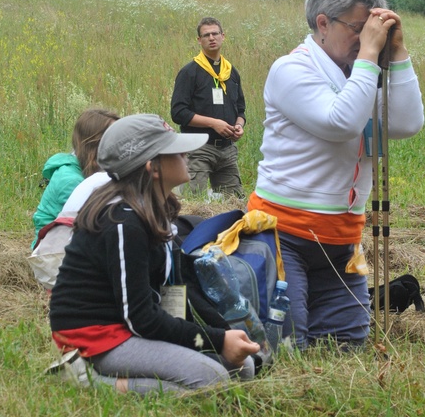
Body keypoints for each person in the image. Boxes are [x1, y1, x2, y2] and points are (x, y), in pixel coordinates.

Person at [248, 0, 425, 351]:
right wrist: (368, 59)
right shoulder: (291, 69)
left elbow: (408, 122)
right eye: (358, 29)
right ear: (323, 23)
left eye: (371, 30)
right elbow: (340, 122)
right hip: (284, 235)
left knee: (345, 346)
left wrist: (396, 52)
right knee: (283, 347)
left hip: (341, 241)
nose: (366, 40)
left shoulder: (361, 73)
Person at [48, 114, 260, 394]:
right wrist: (217, 341)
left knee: (243, 367)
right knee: (212, 380)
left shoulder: (155, 212)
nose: (186, 153)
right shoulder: (123, 223)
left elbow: (176, 292)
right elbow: (140, 318)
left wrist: (226, 335)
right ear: (153, 168)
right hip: (98, 335)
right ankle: (89, 381)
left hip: (130, 326)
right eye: (175, 149)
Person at [171, 17, 246, 197]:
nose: (211, 38)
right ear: (199, 40)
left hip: (227, 150)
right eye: (206, 35)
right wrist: (213, 123)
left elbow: (241, 109)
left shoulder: (231, 72)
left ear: (223, 36)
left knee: (234, 205)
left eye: (215, 33)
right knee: (192, 202)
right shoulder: (190, 72)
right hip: (199, 148)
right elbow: (178, 112)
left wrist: (239, 126)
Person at [31, 108, 119, 246]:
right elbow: (99, 223)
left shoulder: (85, 168)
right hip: (51, 251)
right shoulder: (70, 181)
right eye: (113, 139)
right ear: (94, 143)